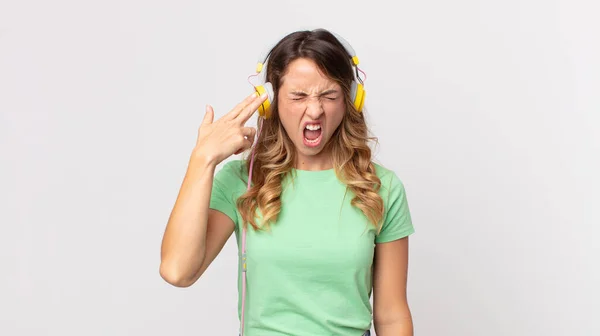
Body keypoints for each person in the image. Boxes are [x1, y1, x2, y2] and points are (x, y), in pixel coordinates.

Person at [159, 28, 415, 336]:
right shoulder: (243, 180)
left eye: (329, 95)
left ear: (350, 100)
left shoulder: (382, 188)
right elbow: (177, 271)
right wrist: (203, 159)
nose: (315, 109)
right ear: (271, 102)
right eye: (299, 96)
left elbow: (391, 316)